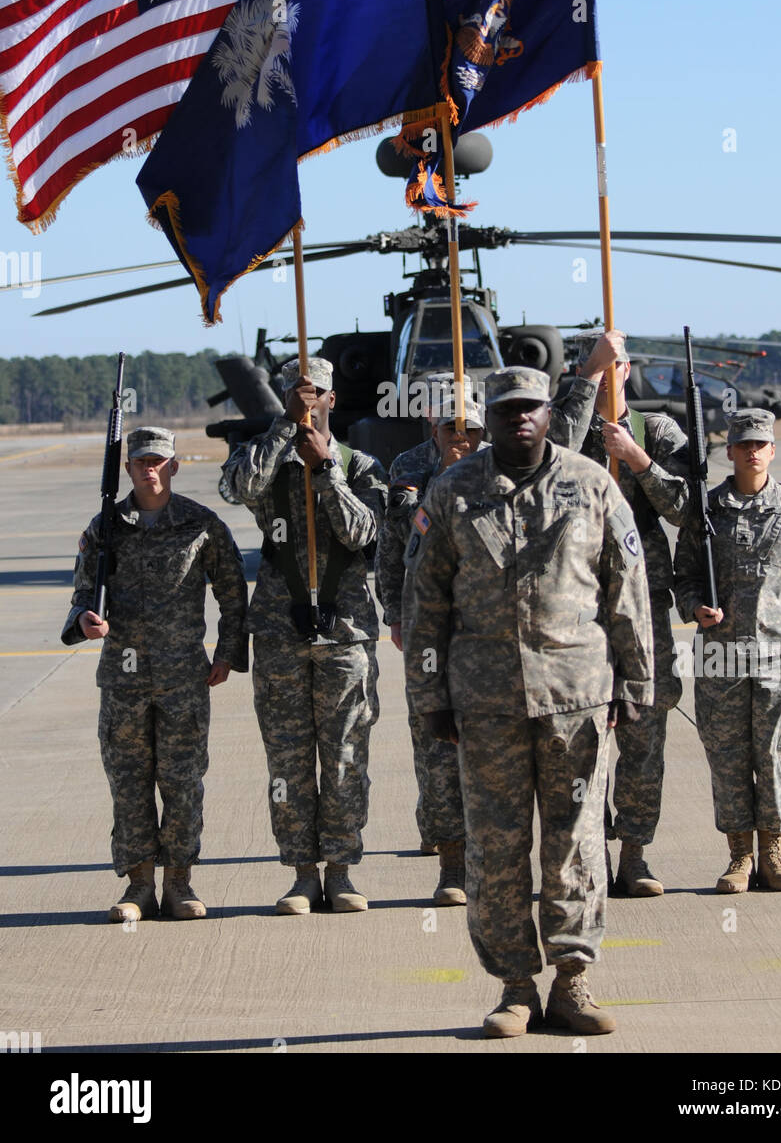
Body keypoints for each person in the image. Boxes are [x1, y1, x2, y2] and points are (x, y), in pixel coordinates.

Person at [402, 367, 654, 1038]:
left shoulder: (591, 483)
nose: (519, 419)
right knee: (495, 848)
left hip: (576, 698)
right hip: (483, 707)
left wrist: (637, 680)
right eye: (506, 409)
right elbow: (424, 604)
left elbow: (625, 585)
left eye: (530, 408)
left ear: (549, 412)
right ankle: (515, 986)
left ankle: (572, 980)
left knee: (575, 845)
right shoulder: (453, 490)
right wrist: (428, 696)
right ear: (487, 415)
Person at [61, 426, 248, 922]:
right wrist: (83, 619)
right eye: (141, 461)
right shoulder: (105, 527)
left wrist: (227, 653)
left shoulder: (201, 524)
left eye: (158, 461)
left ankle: (180, 883)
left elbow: (233, 593)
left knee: (183, 782)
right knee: (128, 783)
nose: (150, 469)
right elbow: (81, 593)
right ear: (127, 469)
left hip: (184, 679)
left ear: (174, 466)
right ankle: (138, 885)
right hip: (123, 683)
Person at [221, 357, 387, 914]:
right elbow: (237, 486)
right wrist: (282, 428)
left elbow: (364, 534)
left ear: (332, 400)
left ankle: (339, 870)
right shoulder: (268, 462)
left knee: (344, 756)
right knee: (287, 761)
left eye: (316, 394)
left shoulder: (359, 465)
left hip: (346, 633)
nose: (307, 401)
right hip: (279, 628)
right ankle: (299, 873)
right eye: (298, 393)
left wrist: (326, 470)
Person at [674, 408, 781, 893]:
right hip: (720, 655)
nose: (752, 452)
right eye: (744, 444)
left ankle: (774, 854)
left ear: (773, 450)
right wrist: (695, 607)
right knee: (727, 756)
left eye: (761, 444)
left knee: (774, 753)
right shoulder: (707, 508)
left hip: (779, 654)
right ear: (731, 451)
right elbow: (685, 576)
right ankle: (740, 856)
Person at [568, 329, 690, 897]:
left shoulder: (657, 432)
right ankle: (585, 853)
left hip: (642, 609)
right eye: (600, 367)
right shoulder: (567, 430)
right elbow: (546, 467)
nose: (611, 375)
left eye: (618, 365)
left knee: (644, 732)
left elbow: (690, 508)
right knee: (580, 737)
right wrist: (589, 374)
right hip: (579, 609)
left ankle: (635, 854)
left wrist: (637, 460)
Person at [375, 389, 485, 903]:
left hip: (488, 628)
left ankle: (492, 855)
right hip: (429, 624)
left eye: (473, 431)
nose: (463, 439)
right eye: (451, 429)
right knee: (436, 745)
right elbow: (395, 540)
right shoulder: (410, 465)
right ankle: (451, 861)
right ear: (432, 427)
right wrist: (394, 612)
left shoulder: (503, 467)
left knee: (493, 749)